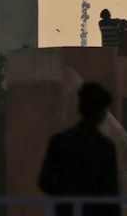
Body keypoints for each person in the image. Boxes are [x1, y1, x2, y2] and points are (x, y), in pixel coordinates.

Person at [38, 82, 120, 216]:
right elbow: (112, 195)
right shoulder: (105, 147)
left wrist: (65, 196)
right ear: (98, 111)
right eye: (103, 109)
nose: (105, 114)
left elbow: (45, 181)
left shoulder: (60, 141)